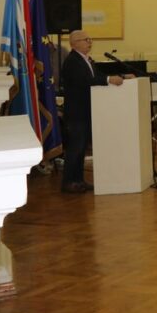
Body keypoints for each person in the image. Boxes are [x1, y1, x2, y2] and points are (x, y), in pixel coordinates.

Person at [61, 30, 125, 193]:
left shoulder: (86, 59)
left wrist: (120, 76)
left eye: (90, 39)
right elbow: (84, 81)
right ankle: (68, 182)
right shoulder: (72, 61)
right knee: (75, 148)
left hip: (87, 110)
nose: (90, 42)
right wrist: (109, 80)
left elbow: (97, 75)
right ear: (74, 43)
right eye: (86, 40)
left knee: (82, 148)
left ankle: (79, 180)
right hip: (76, 112)